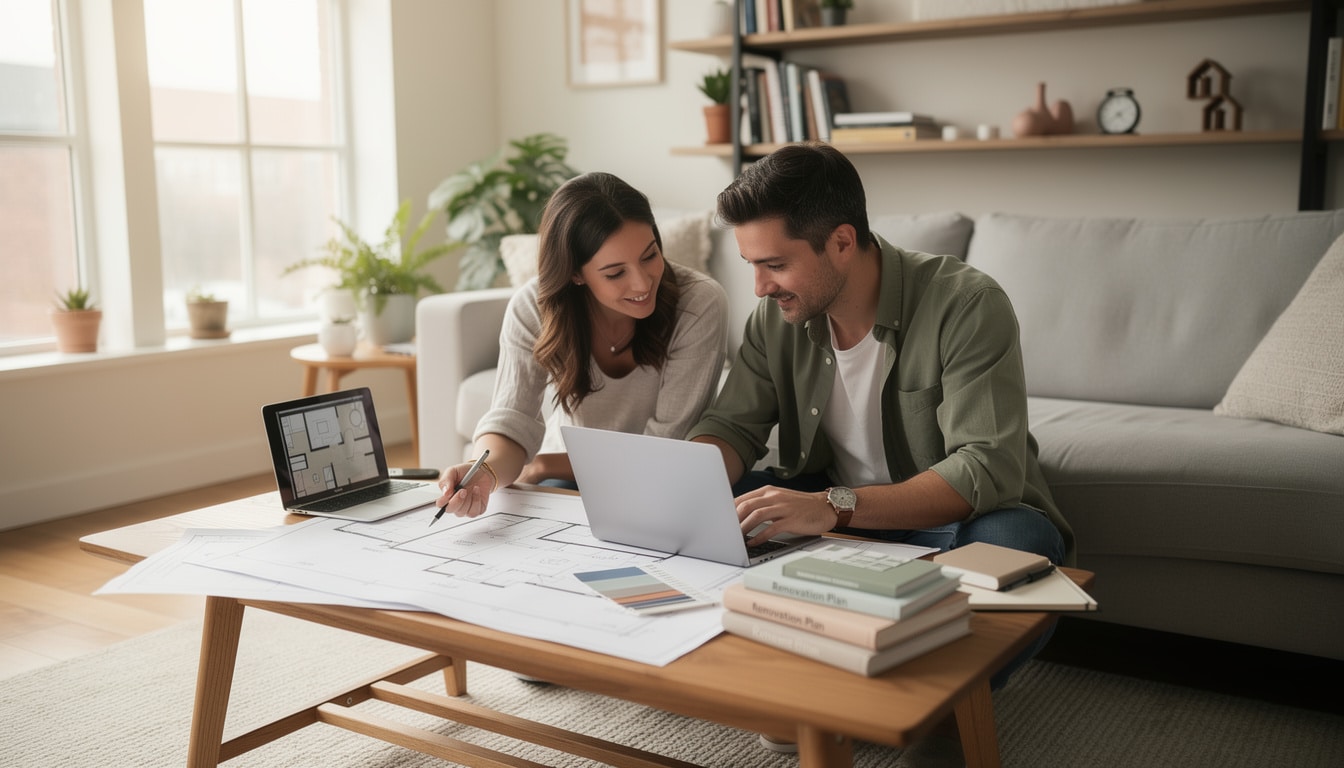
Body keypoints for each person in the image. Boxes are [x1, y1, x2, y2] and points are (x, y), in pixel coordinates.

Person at [687, 142, 1072, 694]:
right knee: (723, 505)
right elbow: (732, 425)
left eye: (775, 264)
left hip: (947, 519)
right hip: (826, 503)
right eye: (752, 265)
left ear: (842, 242)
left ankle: (928, 706)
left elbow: (985, 465)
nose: (760, 287)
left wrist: (831, 509)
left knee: (1020, 546)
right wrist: (688, 489)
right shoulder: (777, 316)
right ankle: (769, 670)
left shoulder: (965, 303)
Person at [436, 171, 729, 518]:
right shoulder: (533, 306)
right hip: (572, 478)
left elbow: (663, 452)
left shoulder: (699, 303)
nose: (643, 281)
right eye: (615, 273)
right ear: (576, 274)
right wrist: (482, 472)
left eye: (650, 255)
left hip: (657, 484)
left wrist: (546, 464)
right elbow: (511, 421)